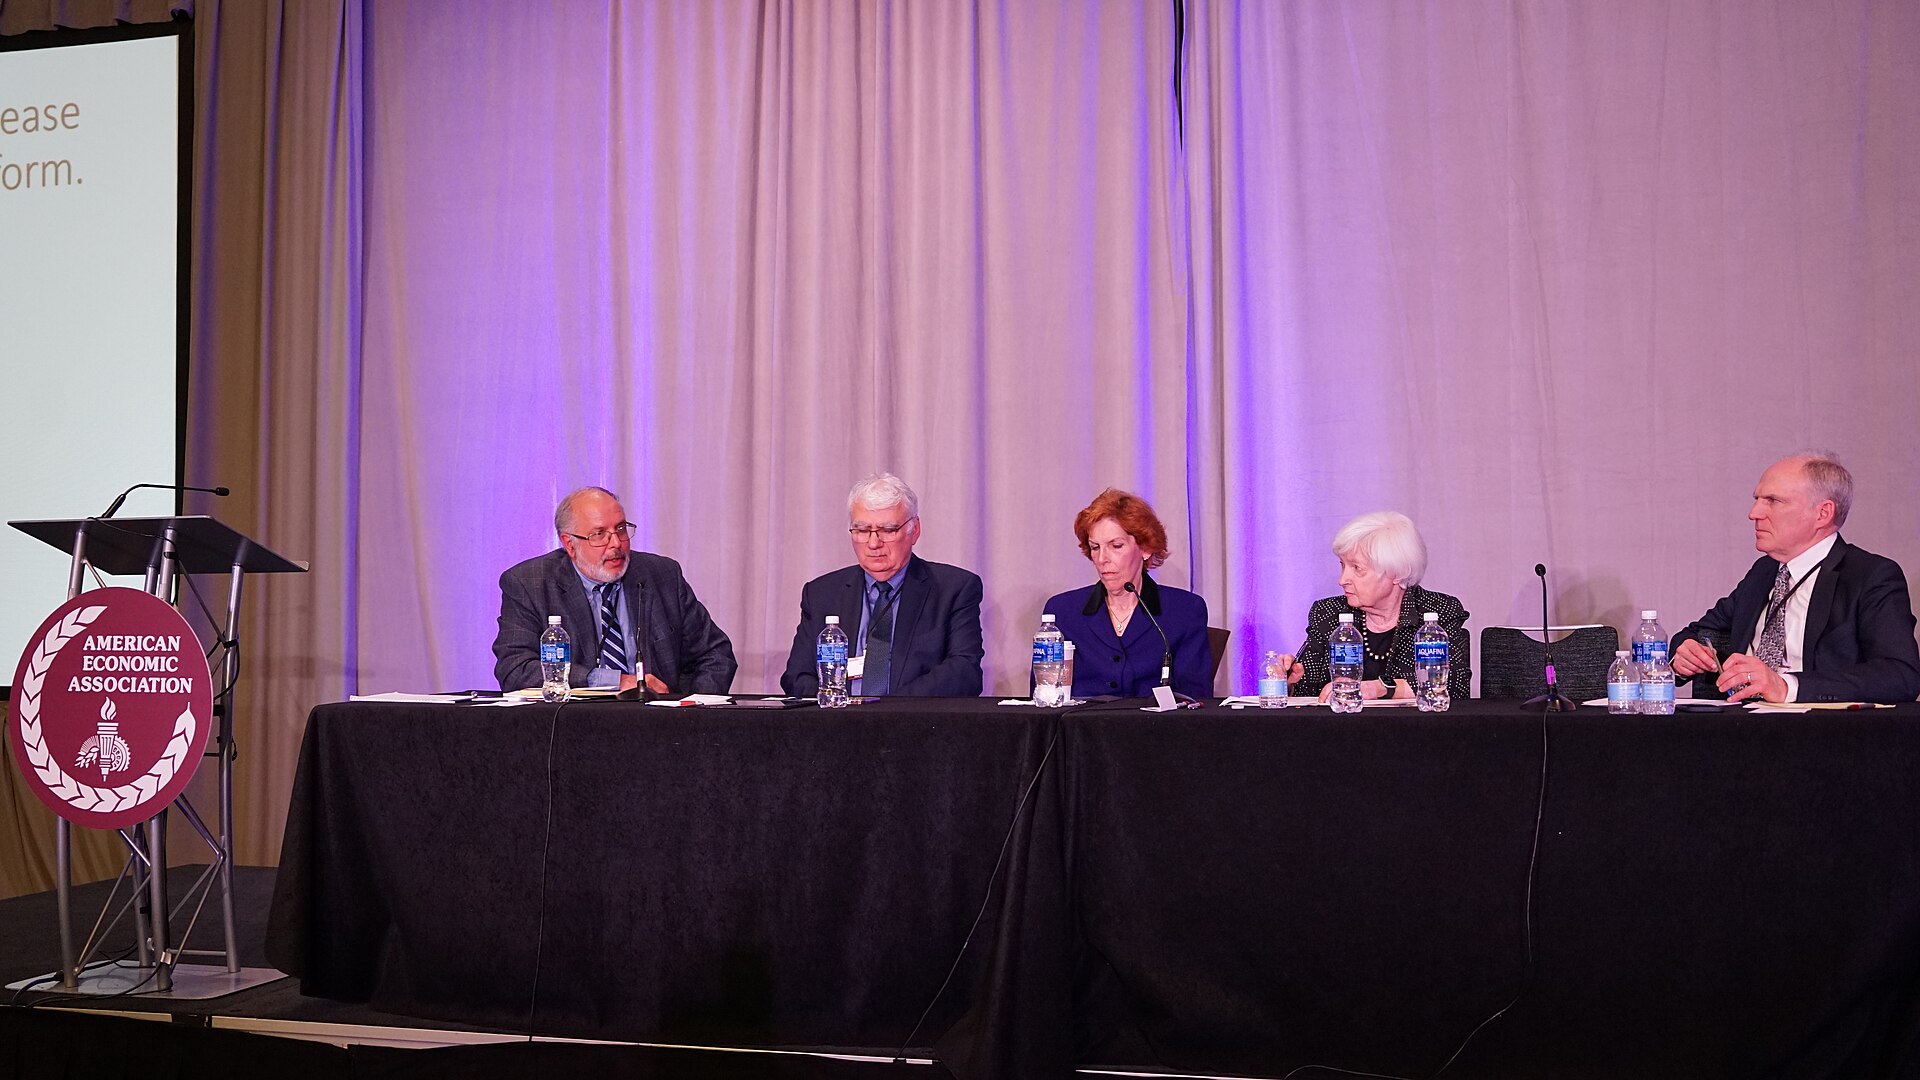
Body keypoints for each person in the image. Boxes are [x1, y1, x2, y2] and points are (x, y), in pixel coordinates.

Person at [1671, 454, 1920, 704]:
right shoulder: (1764, 572)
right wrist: (1685, 654)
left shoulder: (1870, 576)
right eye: (1757, 500)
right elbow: (1700, 633)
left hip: (1818, 734)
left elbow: (1900, 675)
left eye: (1773, 501)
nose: (1754, 513)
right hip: (1739, 726)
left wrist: (1787, 686)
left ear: (1823, 513)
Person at [492, 486, 737, 694]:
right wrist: (613, 682)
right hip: (572, 731)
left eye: (621, 528)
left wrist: (689, 713)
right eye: (599, 534)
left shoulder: (661, 575)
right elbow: (515, 669)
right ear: (569, 543)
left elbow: (716, 655)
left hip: (658, 730)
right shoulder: (530, 583)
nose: (616, 543)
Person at [781, 473, 985, 698]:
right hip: (837, 725)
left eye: (887, 530)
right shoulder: (822, 594)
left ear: (914, 530)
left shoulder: (953, 589)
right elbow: (796, 677)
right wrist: (839, 707)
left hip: (915, 725)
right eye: (862, 530)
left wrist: (887, 711)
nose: (873, 543)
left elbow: (964, 673)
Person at [1042, 489, 1213, 699]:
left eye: (1116, 546)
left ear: (1145, 549)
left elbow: (1194, 699)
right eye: (1095, 547)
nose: (1102, 558)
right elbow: (1046, 696)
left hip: (1155, 729)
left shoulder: (1184, 611)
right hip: (1081, 730)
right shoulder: (1063, 612)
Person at [1289, 511, 1471, 702]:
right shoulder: (1329, 613)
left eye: (1357, 568)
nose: (1342, 580)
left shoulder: (1436, 610)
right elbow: (1309, 693)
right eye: (1342, 565)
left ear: (1397, 572)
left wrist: (1380, 688)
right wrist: (1289, 682)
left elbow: (1454, 684)